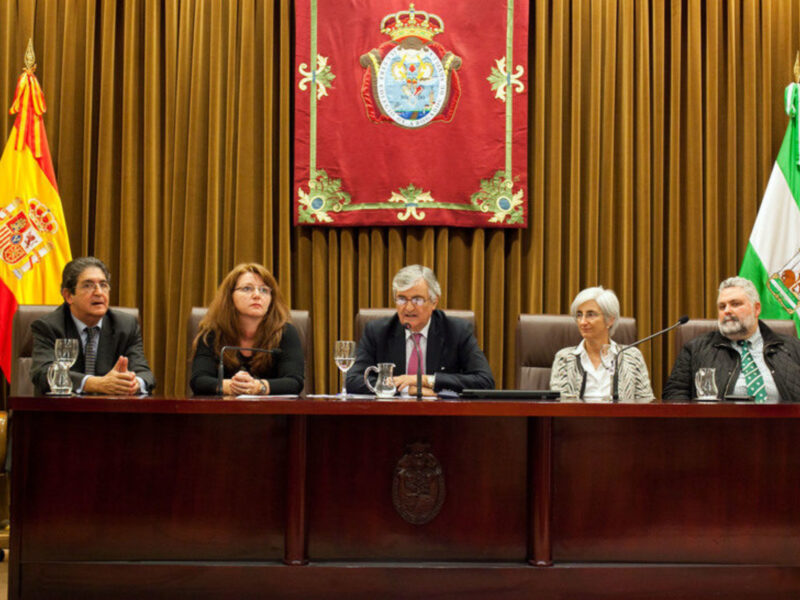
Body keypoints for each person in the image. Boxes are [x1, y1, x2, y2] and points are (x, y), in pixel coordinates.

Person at [346, 264, 494, 396]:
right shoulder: (377, 331)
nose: (409, 308)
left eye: (417, 299)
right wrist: (405, 388)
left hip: (443, 419)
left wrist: (426, 380)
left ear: (434, 301)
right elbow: (353, 380)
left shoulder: (456, 331)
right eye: (402, 299)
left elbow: (484, 381)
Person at [30, 256, 156, 395]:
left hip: (110, 412)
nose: (98, 292)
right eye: (88, 285)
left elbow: (146, 375)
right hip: (62, 412)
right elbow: (42, 373)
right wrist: (94, 383)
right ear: (68, 296)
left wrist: (132, 383)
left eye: (103, 285)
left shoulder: (126, 325)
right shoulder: (49, 326)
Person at [663, 276, 800, 401]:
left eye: (735, 304)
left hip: (784, 426)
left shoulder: (792, 347)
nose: (727, 311)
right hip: (718, 427)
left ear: (756, 309)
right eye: (722, 306)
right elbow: (675, 394)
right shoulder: (695, 350)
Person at [190, 263, 304, 396]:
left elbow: (294, 382)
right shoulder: (212, 334)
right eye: (247, 288)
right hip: (222, 413)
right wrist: (232, 386)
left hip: (272, 414)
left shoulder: (285, 333)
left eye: (264, 290)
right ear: (230, 296)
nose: (257, 295)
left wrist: (258, 387)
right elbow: (198, 381)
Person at [550, 286, 654, 403]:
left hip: (621, 420)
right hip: (577, 420)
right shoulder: (564, 358)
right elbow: (559, 406)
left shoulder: (632, 357)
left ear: (610, 320)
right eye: (579, 315)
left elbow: (645, 402)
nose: (583, 322)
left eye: (590, 314)